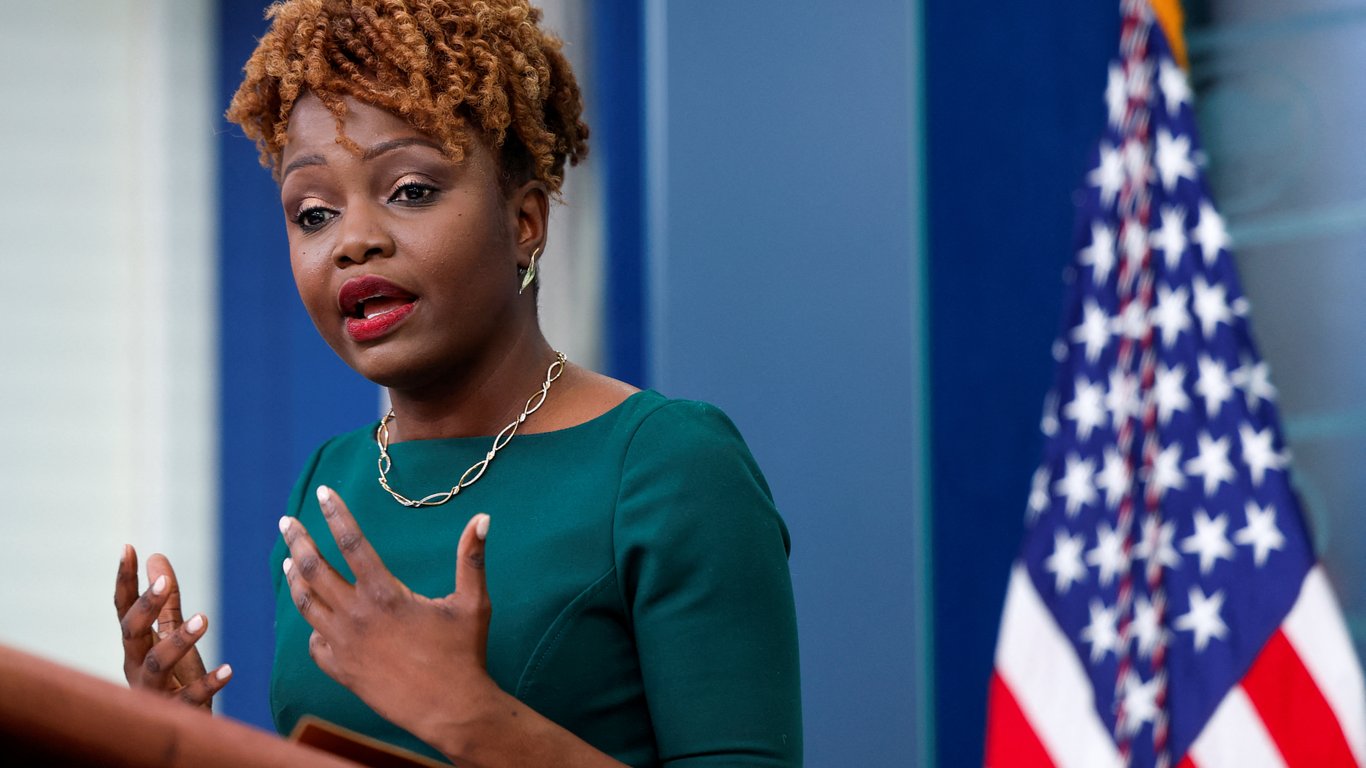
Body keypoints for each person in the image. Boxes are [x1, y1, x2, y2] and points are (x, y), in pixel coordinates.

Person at [114, 1, 802, 765]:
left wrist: (467, 717)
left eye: (410, 190)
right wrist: (182, 738)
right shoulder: (332, 480)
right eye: (313, 213)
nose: (353, 241)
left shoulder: (670, 467)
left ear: (526, 221)